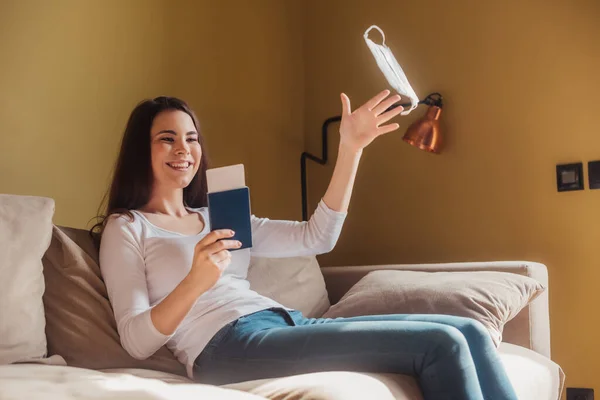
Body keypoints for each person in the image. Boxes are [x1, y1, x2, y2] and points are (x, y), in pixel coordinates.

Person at [95, 93, 518, 400]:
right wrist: (194, 283)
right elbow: (135, 339)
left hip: (283, 322)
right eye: (167, 139)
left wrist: (351, 149)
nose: (184, 150)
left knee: (467, 330)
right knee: (439, 345)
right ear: (141, 150)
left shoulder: (217, 214)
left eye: (191, 138)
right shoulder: (127, 228)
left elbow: (317, 237)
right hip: (225, 347)